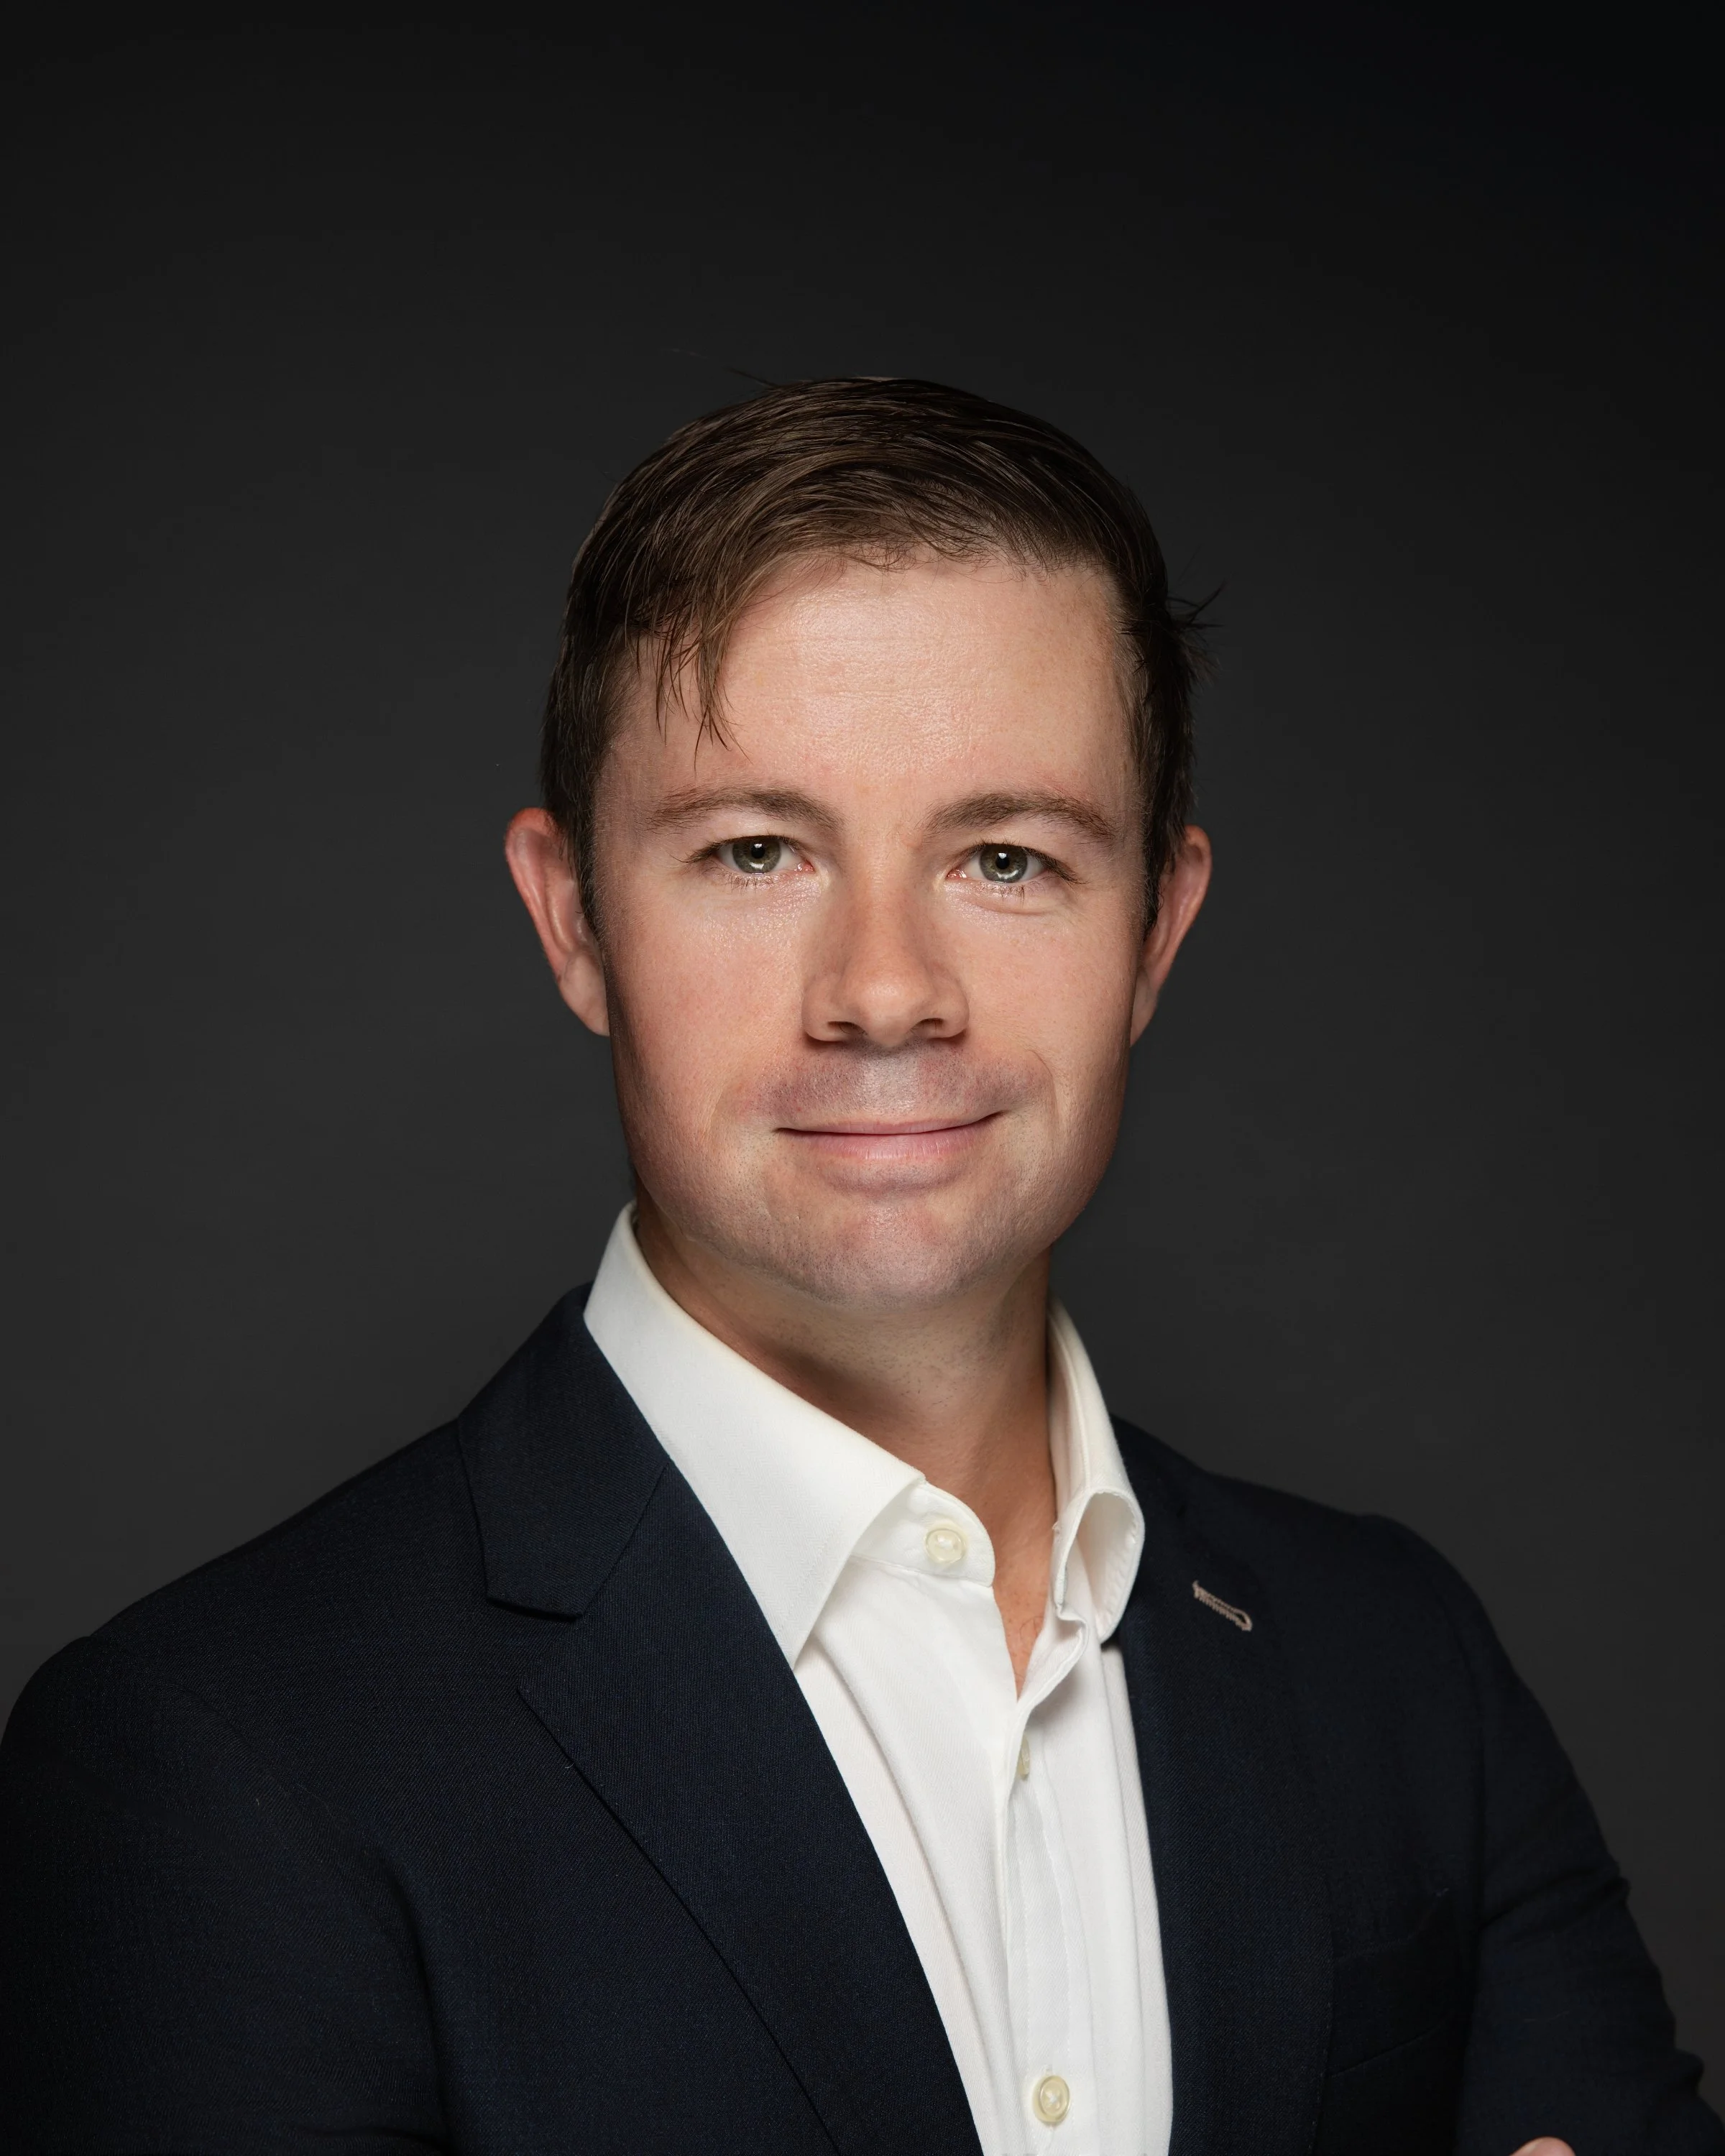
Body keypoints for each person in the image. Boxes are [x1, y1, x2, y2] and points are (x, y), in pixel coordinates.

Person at [0, 379, 1715, 2156]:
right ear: (573, 918)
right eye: (755, 851)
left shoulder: (1396, 1666)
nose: (885, 989)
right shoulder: (217, 1764)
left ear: (1158, 931)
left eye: (1005, 858)